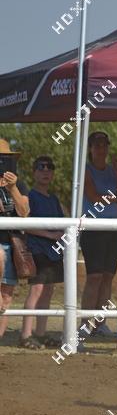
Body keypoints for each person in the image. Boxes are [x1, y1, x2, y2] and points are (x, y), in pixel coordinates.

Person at [80, 131, 117, 337]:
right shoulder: (85, 169)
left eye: (104, 144)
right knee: (94, 277)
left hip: (114, 228)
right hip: (94, 228)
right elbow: (92, 196)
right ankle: (84, 324)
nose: (101, 149)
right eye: (97, 145)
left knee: (108, 276)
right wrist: (114, 197)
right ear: (90, 148)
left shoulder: (112, 170)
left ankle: (101, 324)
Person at [19, 156, 66, 349]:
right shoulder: (29, 196)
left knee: (48, 290)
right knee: (36, 290)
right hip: (37, 249)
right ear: (34, 172)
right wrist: (50, 235)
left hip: (54, 251)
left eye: (50, 168)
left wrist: (59, 236)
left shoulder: (54, 199)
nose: (46, 171)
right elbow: (25, 225)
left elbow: (63, 223)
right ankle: (25, 335)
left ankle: (40, 333)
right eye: (41, 167)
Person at [0, 138, 29, 337]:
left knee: (6, 297)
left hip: (12, 244)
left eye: (5, 159)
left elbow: (24, 212)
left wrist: (12, 188)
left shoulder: (19, 185)